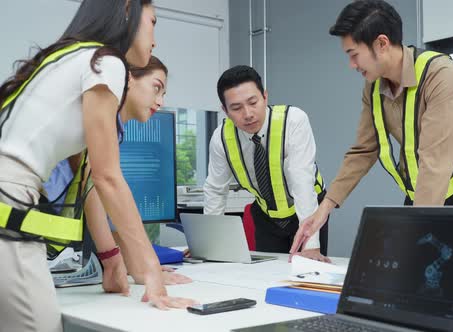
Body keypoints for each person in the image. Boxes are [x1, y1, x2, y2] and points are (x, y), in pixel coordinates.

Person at [0, 1, 194, 331]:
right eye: (154, 22)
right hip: (10, 198)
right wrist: (151, 273)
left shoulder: (69, 57)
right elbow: (107, 177)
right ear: (129, 11)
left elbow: (87, 178)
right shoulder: (106, 62)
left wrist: (114, 261)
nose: (155, 39)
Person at [290, 0, 453, 255]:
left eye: (354, 54)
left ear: (382, 43)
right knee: (413, 284)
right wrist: (324, 209)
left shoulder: (440, 73)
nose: (352, 65)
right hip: (420, 199)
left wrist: (418, 231)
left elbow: (435, 161)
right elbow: (363, 151)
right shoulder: (374, 87)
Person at [44, 55, 191, 286]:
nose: (160, 101)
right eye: (156, 88)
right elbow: (98, 192)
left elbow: (96, 197)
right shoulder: (99, 117)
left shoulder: (112, 127)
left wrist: (138, 264)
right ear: (129, 78)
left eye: (164, 95)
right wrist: (137, 266)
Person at [202, 65, 330, 262]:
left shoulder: (293, 121)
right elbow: (216, 190)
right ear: (225, 110)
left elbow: (302, 182)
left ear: (265, 96)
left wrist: (311, 244)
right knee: (267, 276)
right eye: (236, 108)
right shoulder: (221, 138)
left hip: (307, 211)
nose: (248, 114)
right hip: (266, 217)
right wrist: (210, 245)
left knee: (308, 272)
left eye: (253, 102)